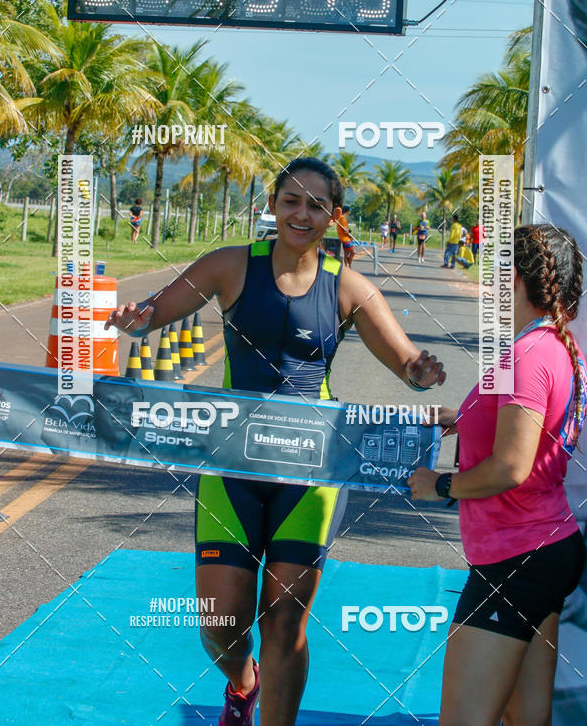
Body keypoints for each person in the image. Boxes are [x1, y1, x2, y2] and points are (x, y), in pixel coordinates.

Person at [105, 157, 446, 726]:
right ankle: (242, 685)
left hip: (309, 474)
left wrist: (422, 371)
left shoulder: (349, 288)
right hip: (231, 465)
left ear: (332, 216)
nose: (302, 214)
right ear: (273, 205)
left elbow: (407, 360)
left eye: (317, 205)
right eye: (292, 201)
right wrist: (135, 318)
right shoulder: (229, 266)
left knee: (284, 623)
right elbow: (154, 313)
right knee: (220, 621)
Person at [409, 224, 586, 726]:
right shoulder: (554, 345)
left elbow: (512, 466)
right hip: (544, 549)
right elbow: (525, 428)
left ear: (515, 278)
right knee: (526, 718)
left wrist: (440, 486)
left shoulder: (527, 355)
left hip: (517, 558)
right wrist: (458, 419)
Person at [336, 203, 355, 267]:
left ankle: (346, 266)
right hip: (345, 239)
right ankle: (349, 264)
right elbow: (345, 230)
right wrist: (350, 235)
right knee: (352, 252)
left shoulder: (340, 218)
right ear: (348, 211)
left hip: (342, 238)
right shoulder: (343, 218)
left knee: (346, 254)